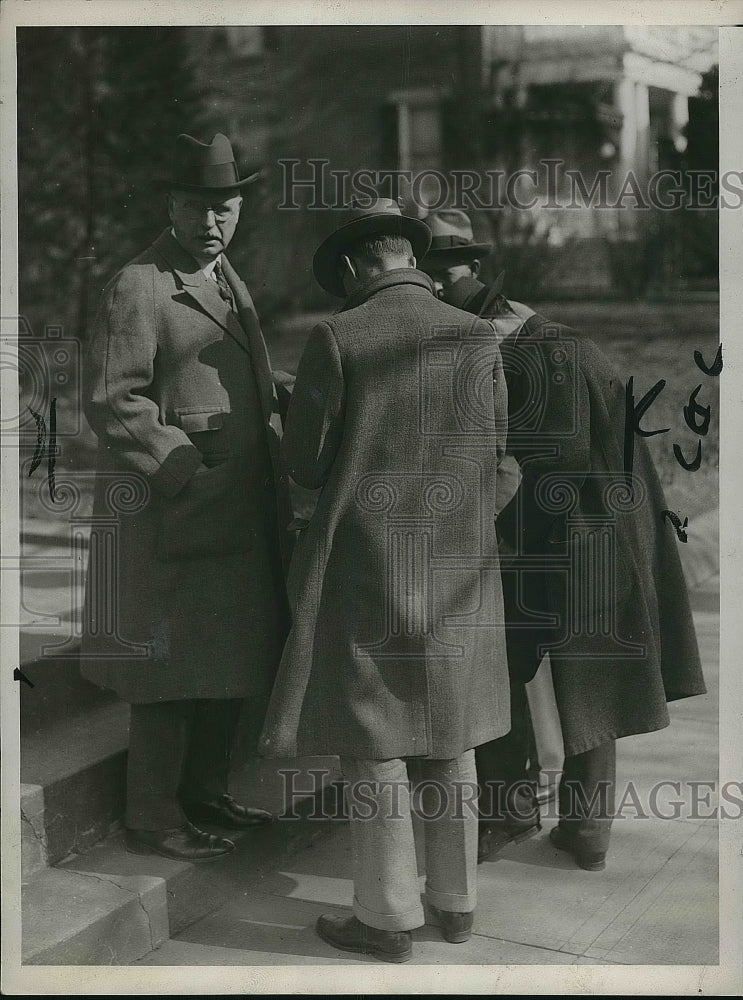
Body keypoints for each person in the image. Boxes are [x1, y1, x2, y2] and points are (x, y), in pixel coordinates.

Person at [258, 198, 511, 963]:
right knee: (451, 732)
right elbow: (500, 452)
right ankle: (456, 903)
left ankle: (385, 917)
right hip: (460, 567)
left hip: (368, 563)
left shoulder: (338, 334)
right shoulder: (476, 336)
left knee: (376, 740)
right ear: (411, 255)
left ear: (355, 264)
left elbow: (307, 463)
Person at [420, 208, 706, 871]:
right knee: (585, 673)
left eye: (443, 273)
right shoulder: (536, 334)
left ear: (474, 271)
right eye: (426, 275)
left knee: (520, 669)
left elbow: (541, 462)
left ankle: (519, 813)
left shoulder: (518, 348)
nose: (434, 288)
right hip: (599, 528)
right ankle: (576, 827)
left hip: (566, 532)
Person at [81, 133, 291, 863]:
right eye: (199, 208)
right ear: (172, 204)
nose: (213, 222)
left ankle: (206, 795)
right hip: (174, 513)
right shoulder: (138, 284)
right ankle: (153, 817)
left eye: (225, 208)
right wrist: (181, 472)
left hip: (233, 512)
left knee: (226, 661)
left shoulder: (227, 278)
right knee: (169, 677)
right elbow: (113, 400)